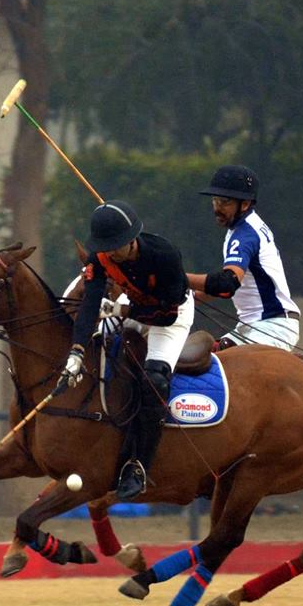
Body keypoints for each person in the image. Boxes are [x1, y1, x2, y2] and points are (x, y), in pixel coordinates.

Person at [60, 200, 193, 500]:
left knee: (155, 380)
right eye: (104, 247)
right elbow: (91, 304)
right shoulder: (101, 257)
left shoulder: (165, 256)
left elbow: (165, 315)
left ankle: (138, 466)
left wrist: (123, 310)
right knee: (97, 352)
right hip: (128, 310)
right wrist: (76, 351)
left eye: (115, 246)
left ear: (131, 240)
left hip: (170, 316)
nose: (110, 253)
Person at [186, 165, 300, 351]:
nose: (217, 209)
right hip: (252, 326)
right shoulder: (241, 228)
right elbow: (226, 282)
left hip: (271, 326)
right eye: (215, 201)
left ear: (245, 204)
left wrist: (177, 277)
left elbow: (227, 282)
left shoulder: (245, 235)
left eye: (224, 202)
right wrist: (189, 298)